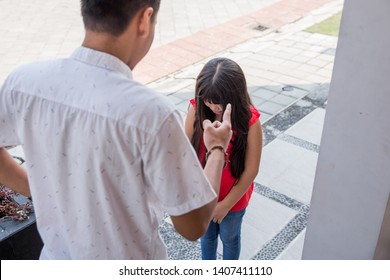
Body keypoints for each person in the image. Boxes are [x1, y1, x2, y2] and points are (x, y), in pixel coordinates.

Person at [0, 0, 233, 260]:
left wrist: (46, 191)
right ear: (145, 20)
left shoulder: (24, 82)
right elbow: (193, 225)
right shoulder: (152, 114)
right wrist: (216, 147)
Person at [185, 57, 263, 260]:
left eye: (217, 101)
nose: (212, 106)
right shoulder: (196, 109)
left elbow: (251, 170)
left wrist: (225, 205)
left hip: (233, 201)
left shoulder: (250, 121)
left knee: (230, 239)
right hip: (204, 196)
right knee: (207, 238)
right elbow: (186, 153)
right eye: (207, 100)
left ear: (234, 95)